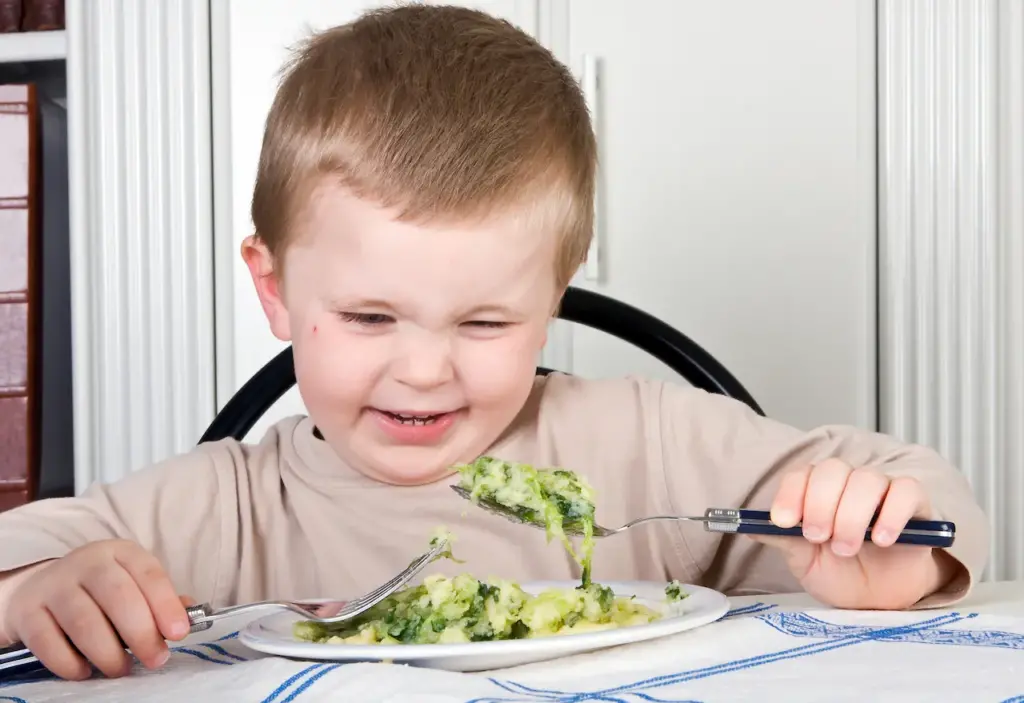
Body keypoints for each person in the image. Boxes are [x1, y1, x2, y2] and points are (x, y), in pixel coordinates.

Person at [0, 4, 987, 682]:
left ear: (551, 296)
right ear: (275, 289)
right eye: (369, 317)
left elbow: (916, 487)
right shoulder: (225, 506)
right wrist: (42, 590)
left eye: (484, 322)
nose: (425, 368)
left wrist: (896, 551)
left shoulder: (639, 447)